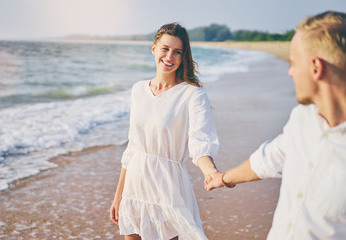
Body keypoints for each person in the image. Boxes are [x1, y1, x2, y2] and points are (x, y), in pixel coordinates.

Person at [205, 11, 346, 239]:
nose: (290, 72)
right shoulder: (302, 119)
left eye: (293, 63)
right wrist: (223, 178)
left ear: (316, 68)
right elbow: (268, 158)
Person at [110, 23, 220, 240]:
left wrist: (211, 172)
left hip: (167, 187)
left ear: (183, 56)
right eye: (165, 48)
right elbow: (133, 147)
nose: (170, 56)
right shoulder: (138, 89)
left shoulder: (193, 95)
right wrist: (118, 196)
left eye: (177, 51)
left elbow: (200, 142)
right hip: (135, 184)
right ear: (153, 49)